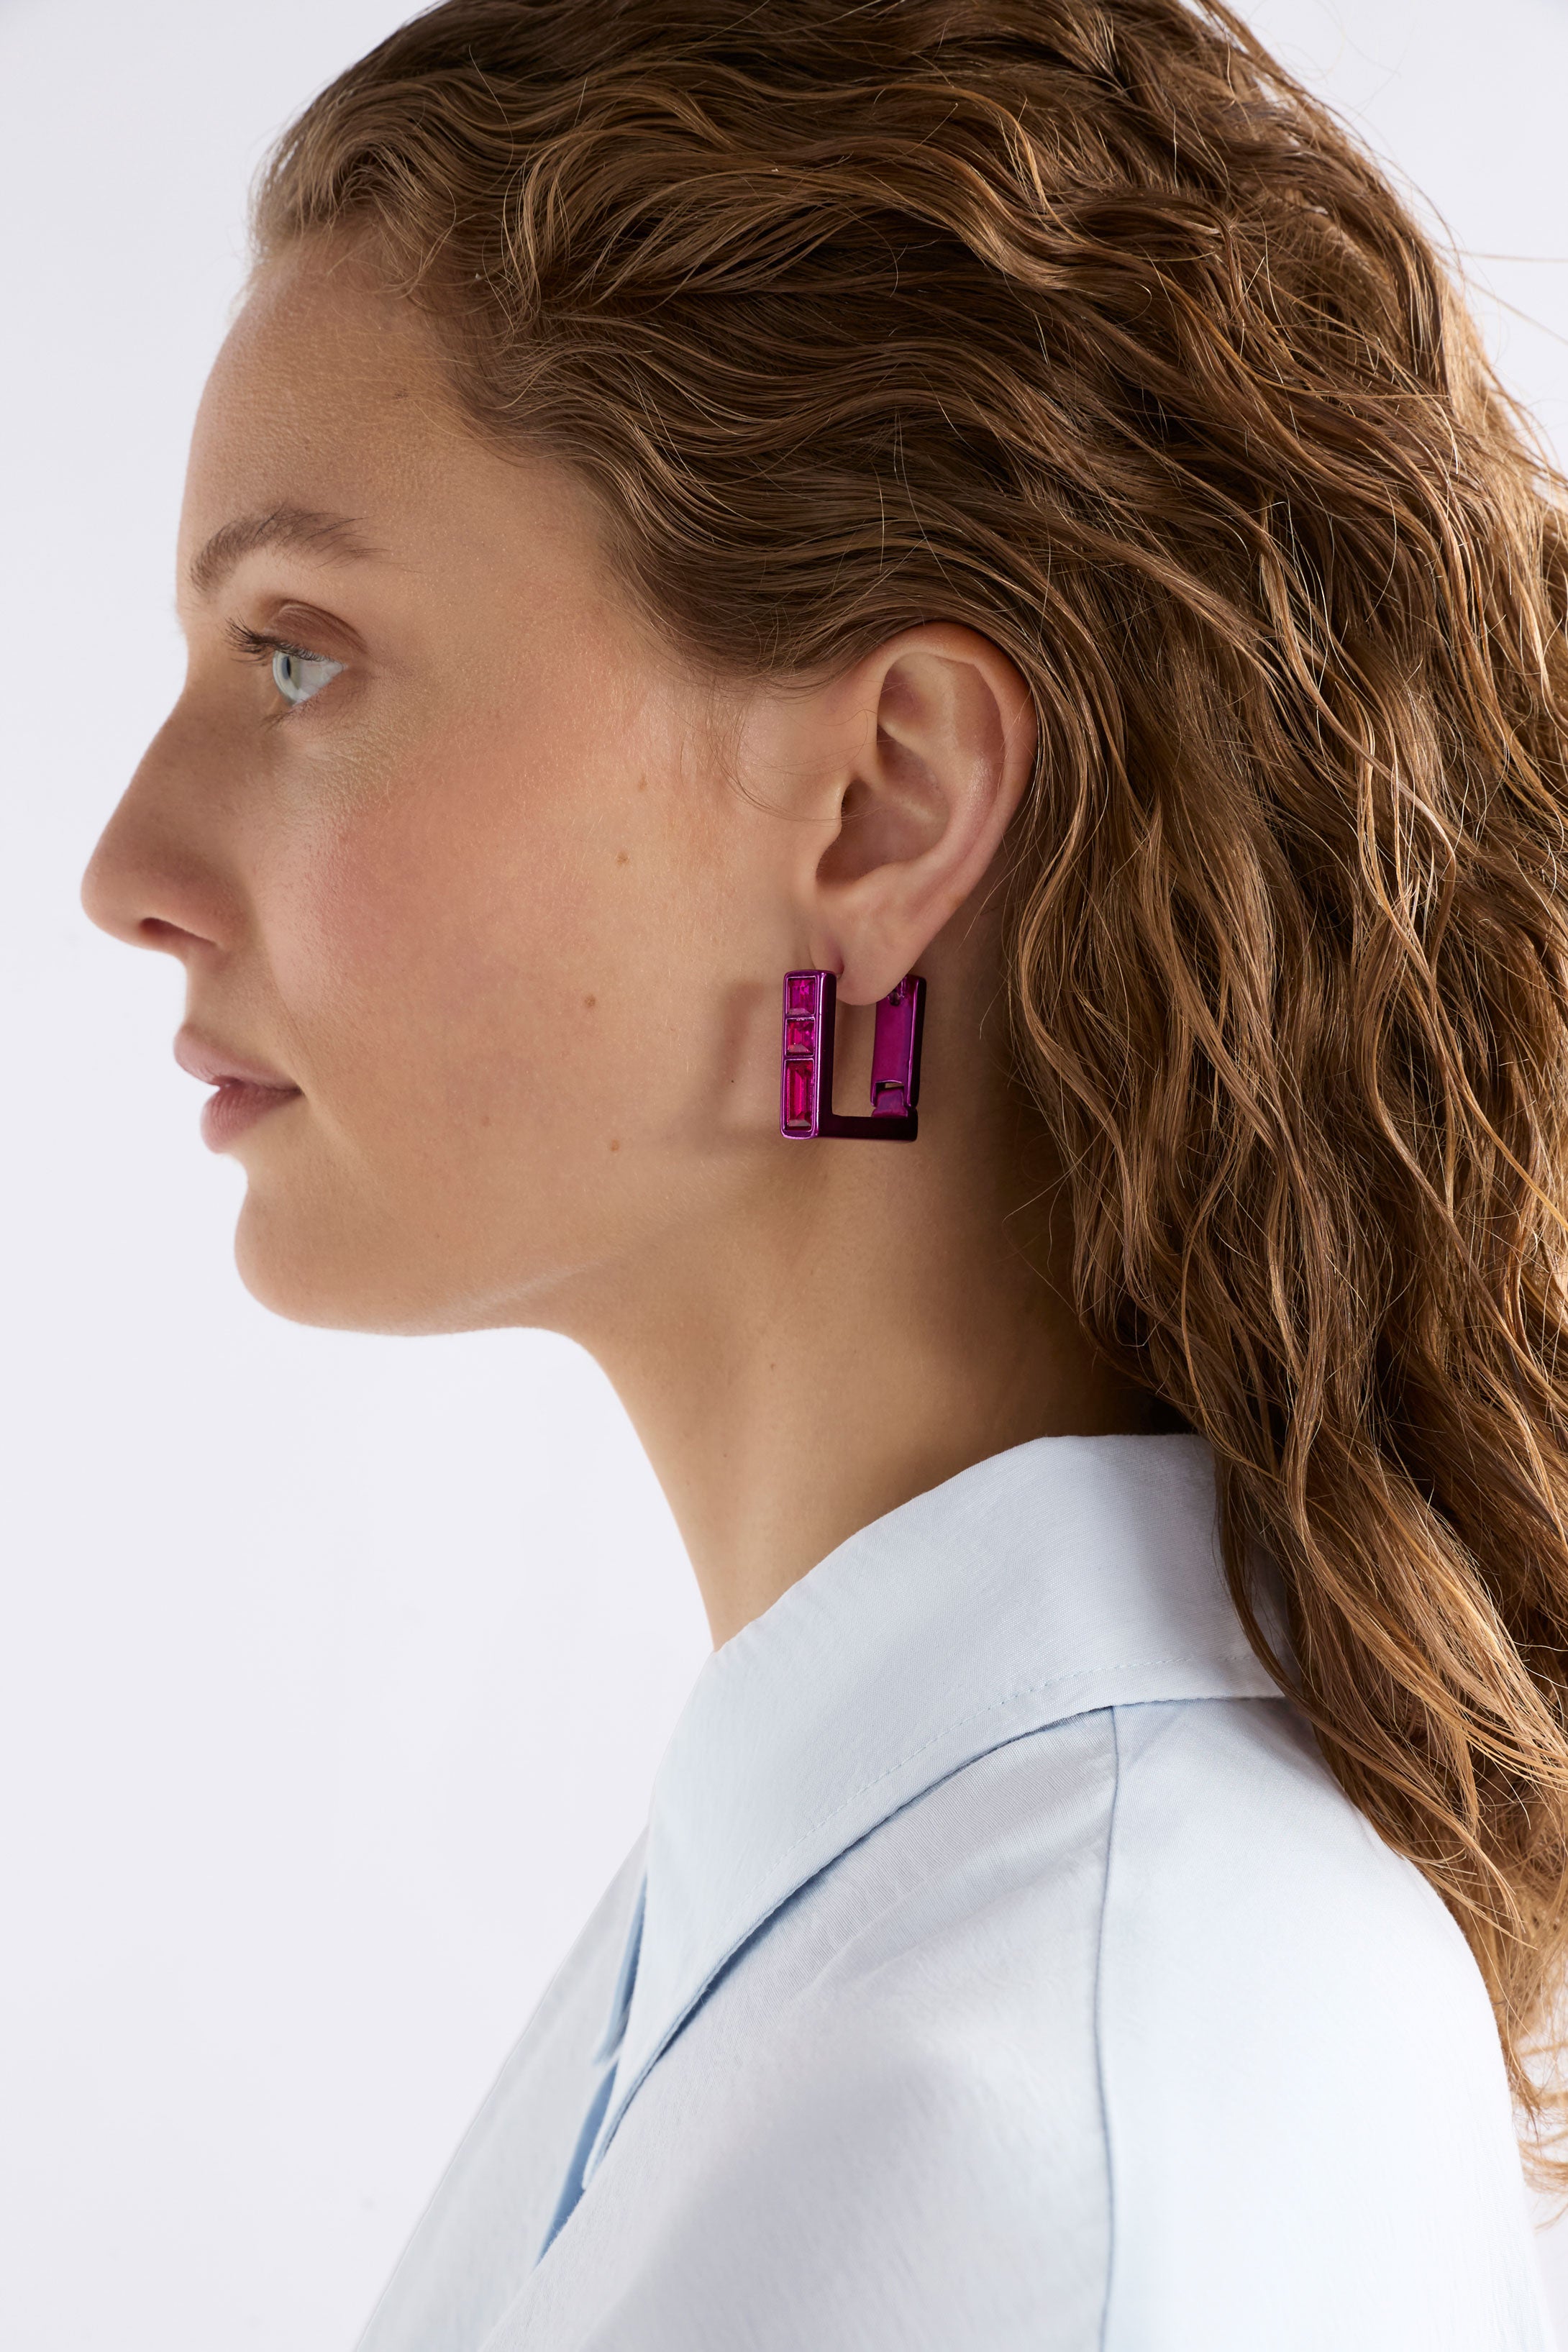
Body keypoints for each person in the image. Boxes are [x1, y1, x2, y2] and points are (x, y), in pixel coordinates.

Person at [81, 0, 1568, 2343]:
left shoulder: (1035, 2152)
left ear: (880, 809)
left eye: (297, 658)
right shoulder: (840, 1919)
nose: (125, 870)